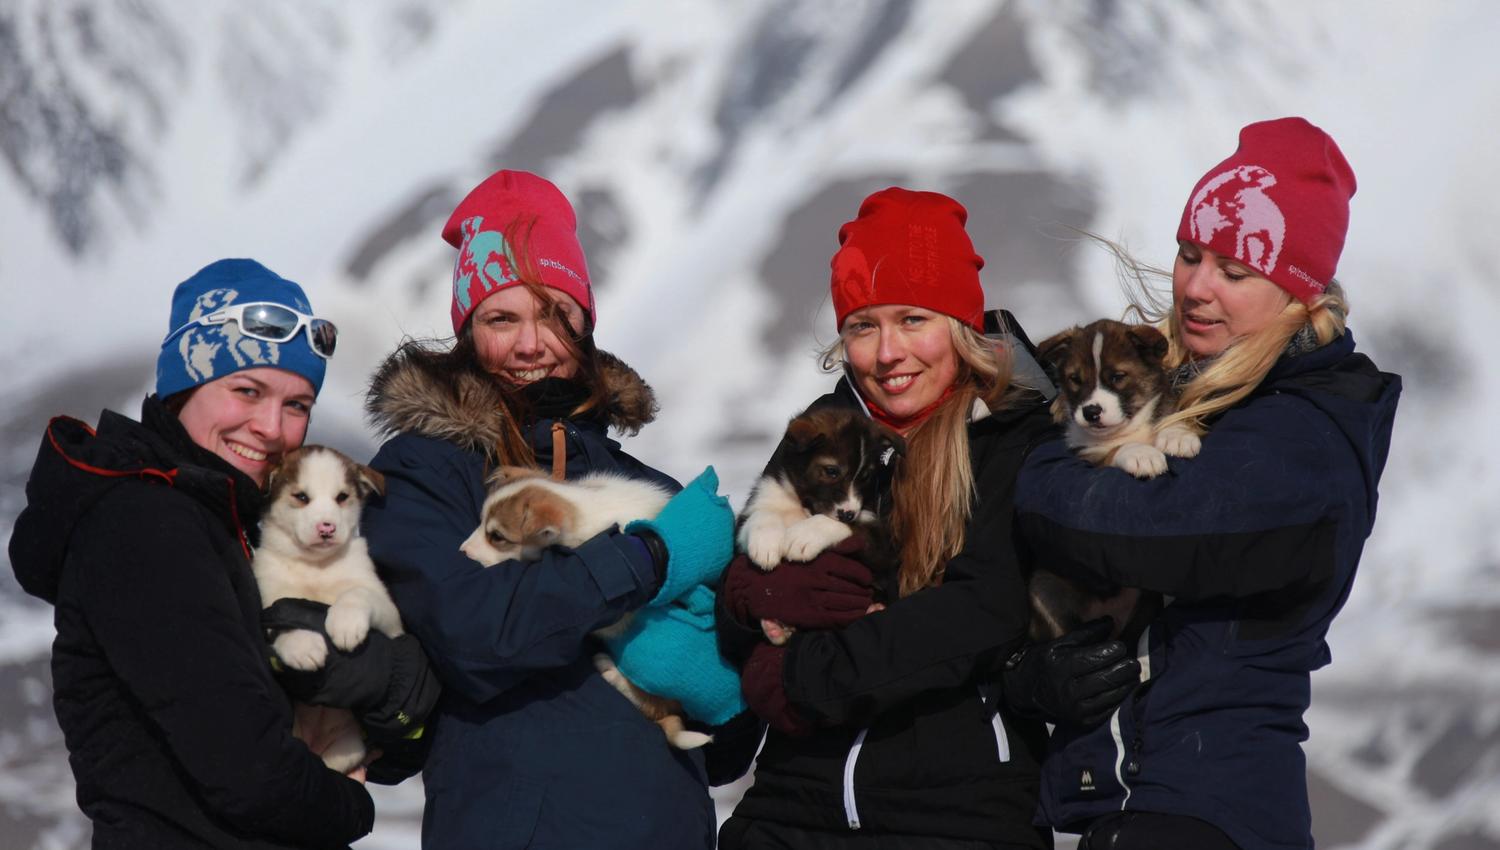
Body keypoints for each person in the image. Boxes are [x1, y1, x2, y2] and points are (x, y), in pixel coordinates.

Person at [1013, 117, 1401, 850]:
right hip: (1141, 805)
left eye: (1234, 272)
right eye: (1191, 255)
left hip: (1209, 810)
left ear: (1298, 292)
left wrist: (1040, 456)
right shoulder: (1200, 398)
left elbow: (1134, 530)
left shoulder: (1304, 432)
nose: (1194, 287)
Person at [715, 187, 1141, 849]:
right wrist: (757, 598)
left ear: (960, 326)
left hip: (957, 821)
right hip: (788, 812)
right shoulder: (820, 435)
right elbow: (743, 591)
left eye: (913, 319)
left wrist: (798, 675)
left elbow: (977, 612)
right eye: (863, 326)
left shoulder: (1023, 439)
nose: (888, 353)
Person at [361, 169, 753, 850]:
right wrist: (647, 558)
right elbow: (477, 636)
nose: (530, 344)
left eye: (553, 313)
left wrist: (728, 683)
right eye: (501, 318)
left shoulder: (647, 484)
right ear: (466, 331)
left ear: (585, 320)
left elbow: (724, 753)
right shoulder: (424, 474)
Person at [8, 259, 388, 848]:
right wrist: (351, 806)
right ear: (183, 385)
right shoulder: (146, 523)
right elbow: (249, 770)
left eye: (297, 404)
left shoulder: (218, 515)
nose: (271, 427)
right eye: (246, 391)